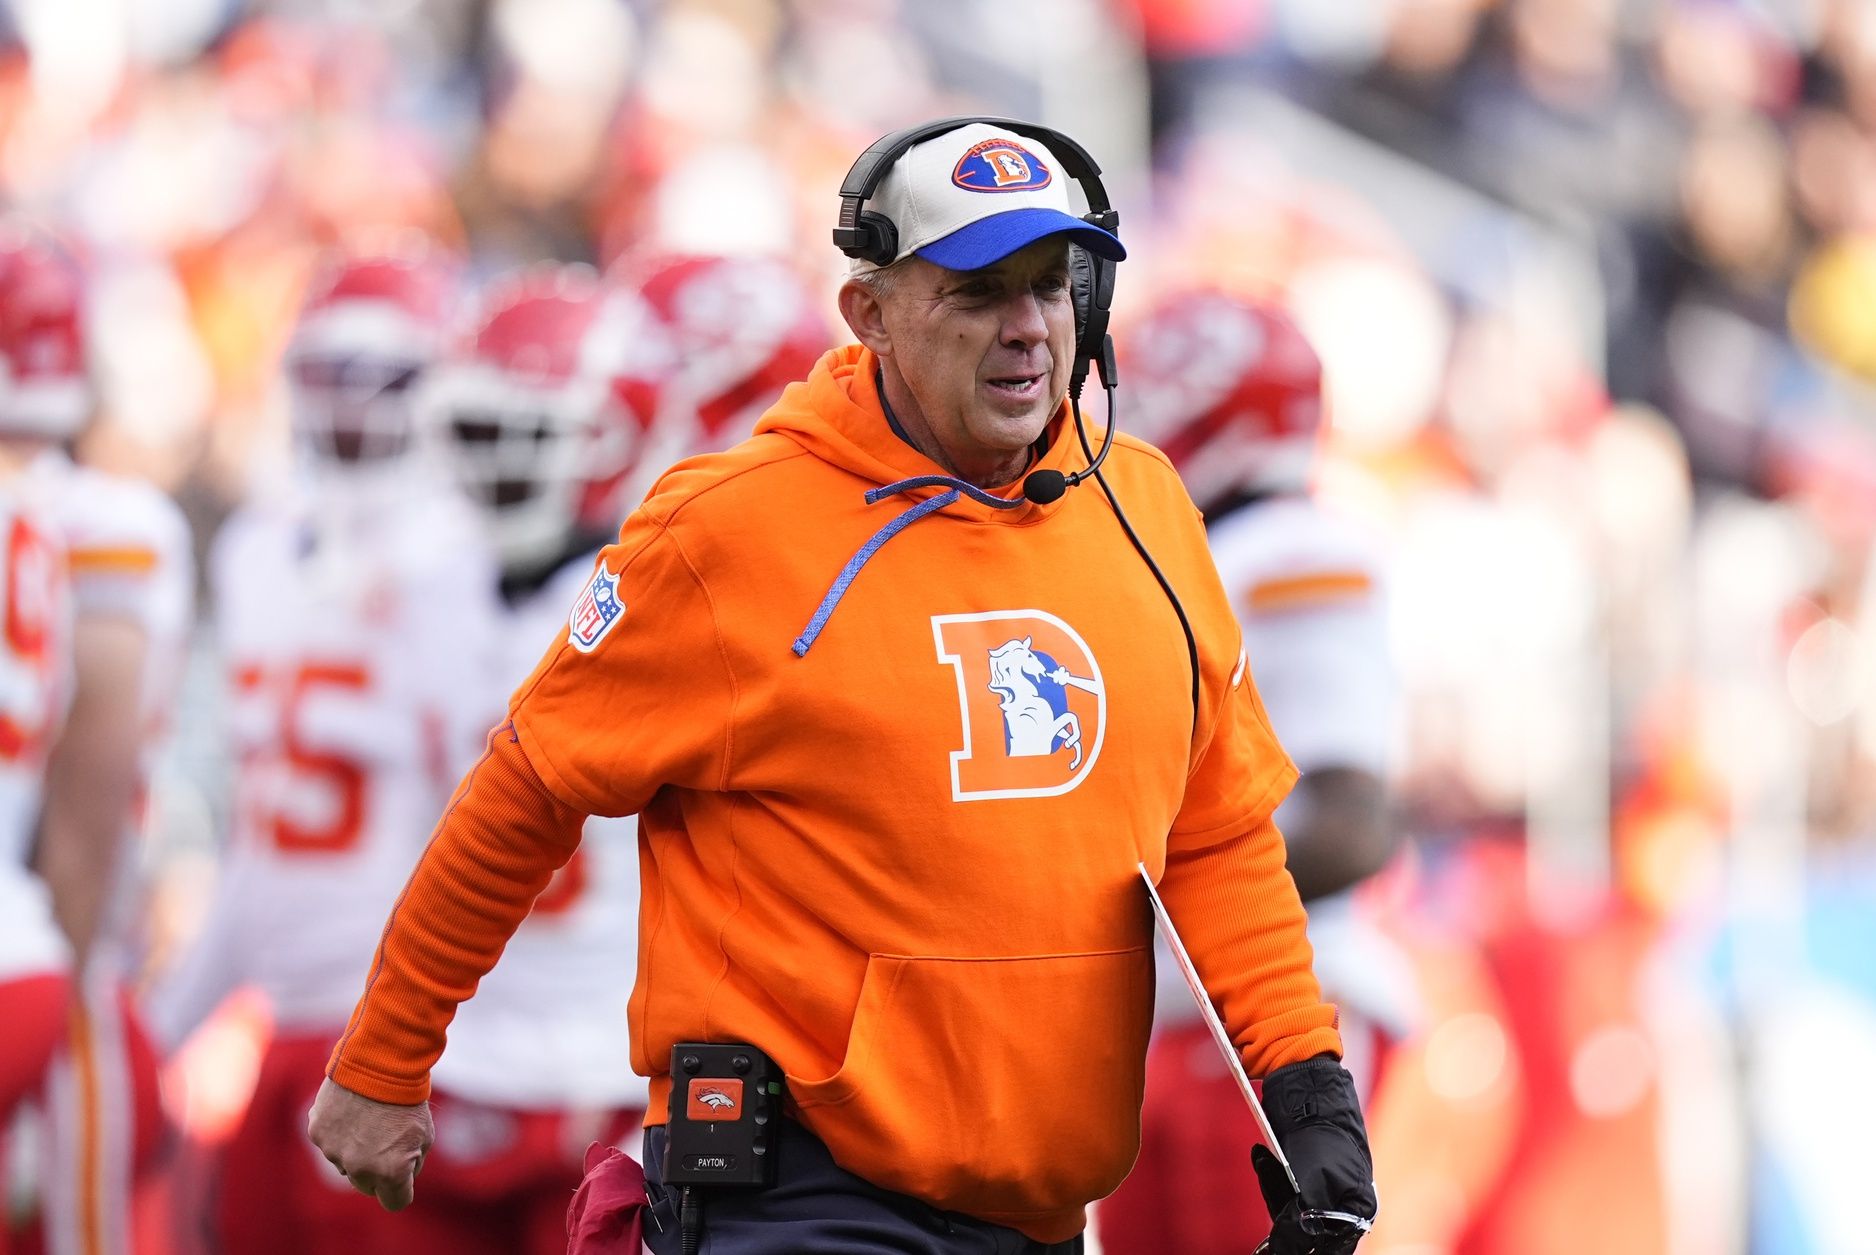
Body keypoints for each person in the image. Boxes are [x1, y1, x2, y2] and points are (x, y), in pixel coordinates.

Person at [309, 119, 1378, 1254]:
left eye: (1051, 285)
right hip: (795, 1187)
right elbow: (526, 788)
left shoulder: (1146, 511)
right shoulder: (728, 528)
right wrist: (386, 1059)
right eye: (976, 291)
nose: (1025, 327)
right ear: (867, 313)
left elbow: (1213, 836)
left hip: (1038, 1202)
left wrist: (1304, 1086)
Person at [150, 244, 501, 1254]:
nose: (350, 413)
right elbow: (251, 830)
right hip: (278, 1000)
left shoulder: (460, 558)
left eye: (377, 382)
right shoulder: (258, 548)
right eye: (329, 381)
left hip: (395, 1026)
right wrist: (174, 1016)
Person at [1097, 290, 1410, 1253]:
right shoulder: (1215, 551)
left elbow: (1352, 818)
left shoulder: (1290, 549)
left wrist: (1110, 892)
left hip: (1265, 1035)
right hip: (1185, 1034)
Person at [403, 262, 669, 1254]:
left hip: (614, 1070)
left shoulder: (660, 593)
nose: (486, 469)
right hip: (464, 1061)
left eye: (516, 442)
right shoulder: (434, 582)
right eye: (471, 435)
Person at [0, 222, 189, 1255]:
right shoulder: (95, 513)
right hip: (55, 959)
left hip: (68, 965)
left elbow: (87, 796)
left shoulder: (85, 519)